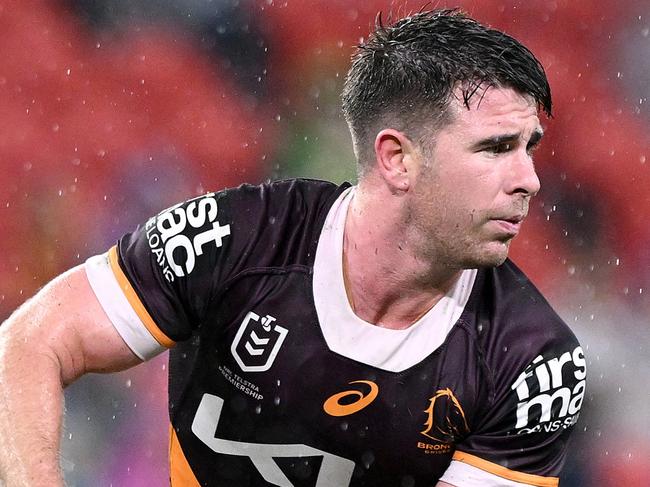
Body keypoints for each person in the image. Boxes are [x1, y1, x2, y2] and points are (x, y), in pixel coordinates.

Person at [0, 8, 586, 487]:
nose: (529, 179)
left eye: (529, 147)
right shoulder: (239, 239)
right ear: (397, 158)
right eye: (496, 148)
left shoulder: (534, 362)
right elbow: (27, 345)